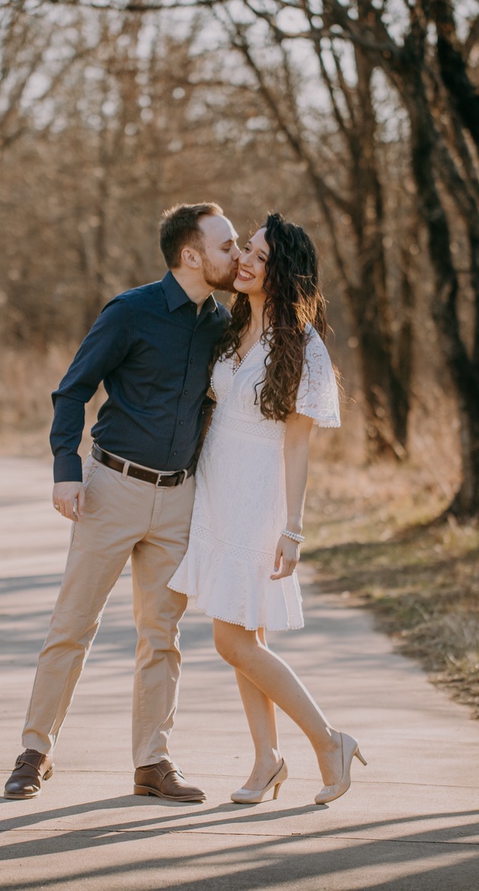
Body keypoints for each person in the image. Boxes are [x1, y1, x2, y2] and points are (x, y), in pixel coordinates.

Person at [3, 203, 239, 803]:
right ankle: (35, 751)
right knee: (73, 624)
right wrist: (65, 470)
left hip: (179, 496)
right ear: (191, 254)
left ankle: (152, 763)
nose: (236, 255)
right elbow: (72, 390)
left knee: (162, 635)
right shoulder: (129, 312)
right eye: (227, 245)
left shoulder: (222, 324)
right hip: (112, 489)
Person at [168, 213, 364, 806]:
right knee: (241, 631)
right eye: (244, 250)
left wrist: (293, 529)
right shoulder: (231, 330)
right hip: (217, 493)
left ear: (282, 270)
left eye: (257, 255)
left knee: (231, 640)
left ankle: (329, 741)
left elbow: (298, 443)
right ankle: (266, 760)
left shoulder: (301, 345)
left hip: (259, 500)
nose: (245, 261)